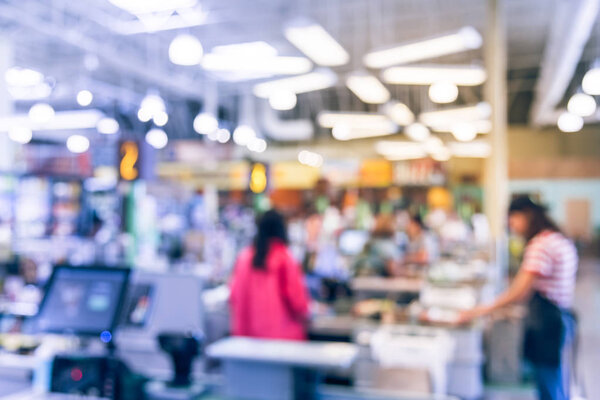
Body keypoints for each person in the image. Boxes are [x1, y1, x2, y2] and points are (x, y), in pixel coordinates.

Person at [458, 196, 578, 400]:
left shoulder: (540, 244)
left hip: (548, 322)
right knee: (557, 379)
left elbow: (519, 291)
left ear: (526, 216)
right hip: (560, 316)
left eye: (513, 220)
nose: (511, 226)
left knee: (549, 383)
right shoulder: (556, 237)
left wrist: (479, 311)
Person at [230, 209, 309, 341]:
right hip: (281, 343)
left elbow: (233, 296)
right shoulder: (284, 259)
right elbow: (298, 303)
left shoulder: (244, 258)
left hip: (246, 342)